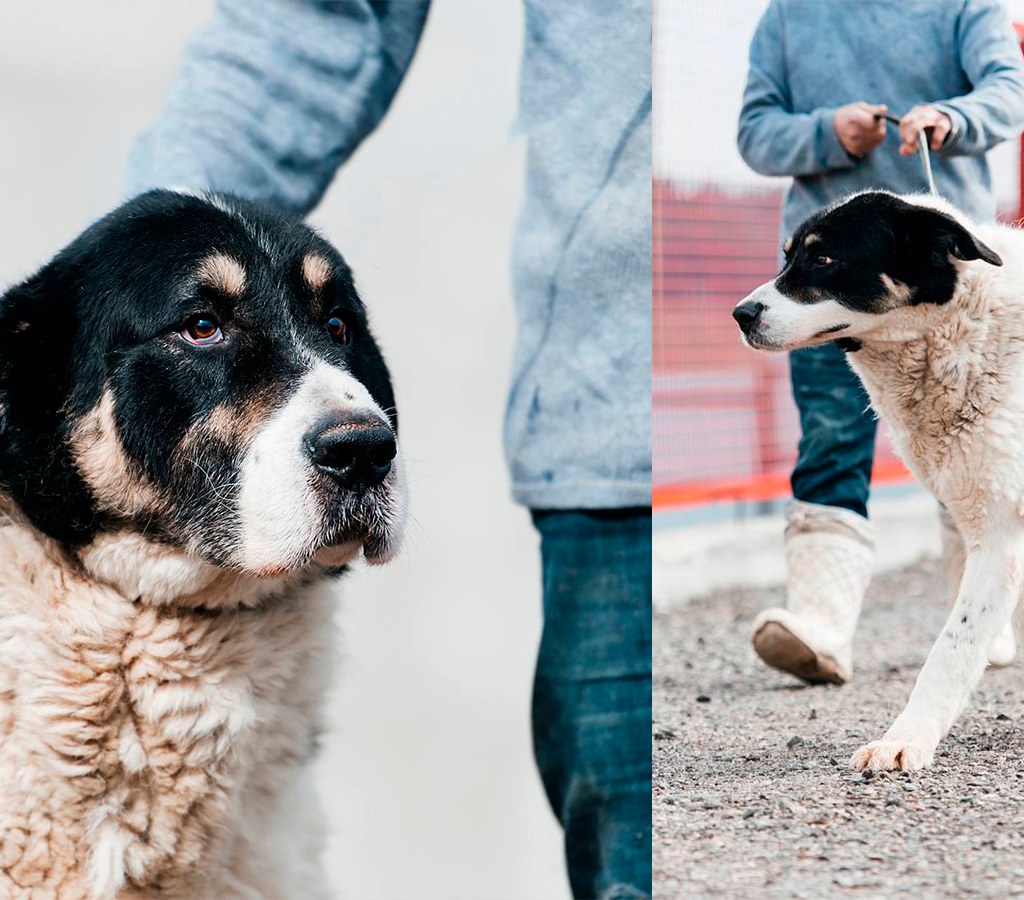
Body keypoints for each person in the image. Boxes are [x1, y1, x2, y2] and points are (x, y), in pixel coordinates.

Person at [126, 2, 650, 897]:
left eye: (334, 330)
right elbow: (318, 20)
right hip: (611, 444)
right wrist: (125, 268)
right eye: (206, 323)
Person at [735, 0, 1024, 685]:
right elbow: (754, 134)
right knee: (831, 439)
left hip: (941, 293)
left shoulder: (965, 6)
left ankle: (981, 614)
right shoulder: (788, 16)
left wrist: (952, 118)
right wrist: (827, 133)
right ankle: (821, 624)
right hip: (820, 299)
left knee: (971, 448)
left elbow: (1011, 95)